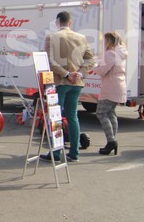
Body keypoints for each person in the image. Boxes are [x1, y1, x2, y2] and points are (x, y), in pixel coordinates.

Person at [41, 11, 95, 162]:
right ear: (70, 23)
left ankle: (56, 153)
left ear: (57, 22)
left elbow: (50, 62)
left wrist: (66, 74)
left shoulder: (51, 37)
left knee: (56, 118)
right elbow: (91, 60)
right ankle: (74, 152)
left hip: (60, 82)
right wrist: (80, 74)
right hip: (76, 83)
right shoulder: (82, 38)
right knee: (72, 117)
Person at [92, 31, 128, 155]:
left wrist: (94, 66)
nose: (104, 43)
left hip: (111, 86)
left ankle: (111, 141)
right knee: (111, 113)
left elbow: (103, 71)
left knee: (101, 112)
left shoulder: (110, 53)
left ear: (110, 41)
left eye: (105, 40)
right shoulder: (121, 52)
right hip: (119, 84)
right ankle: (112, 140)